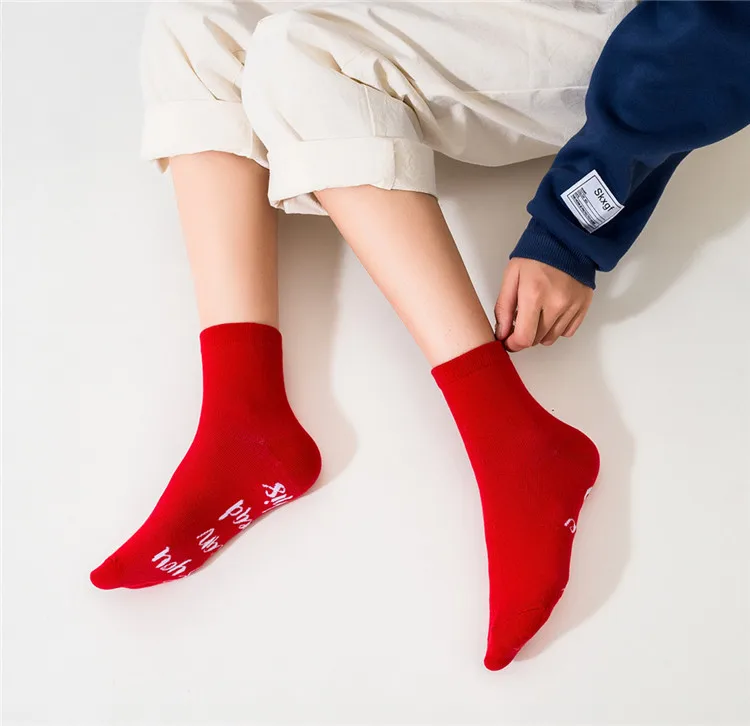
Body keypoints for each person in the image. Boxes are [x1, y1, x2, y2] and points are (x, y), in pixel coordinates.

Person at [90, 0, 750, 670]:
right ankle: (242, 412)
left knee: (304, 55)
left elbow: (718, 33)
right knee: (195, 16)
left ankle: (513, 439)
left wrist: (570, 227)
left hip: (642, 39)